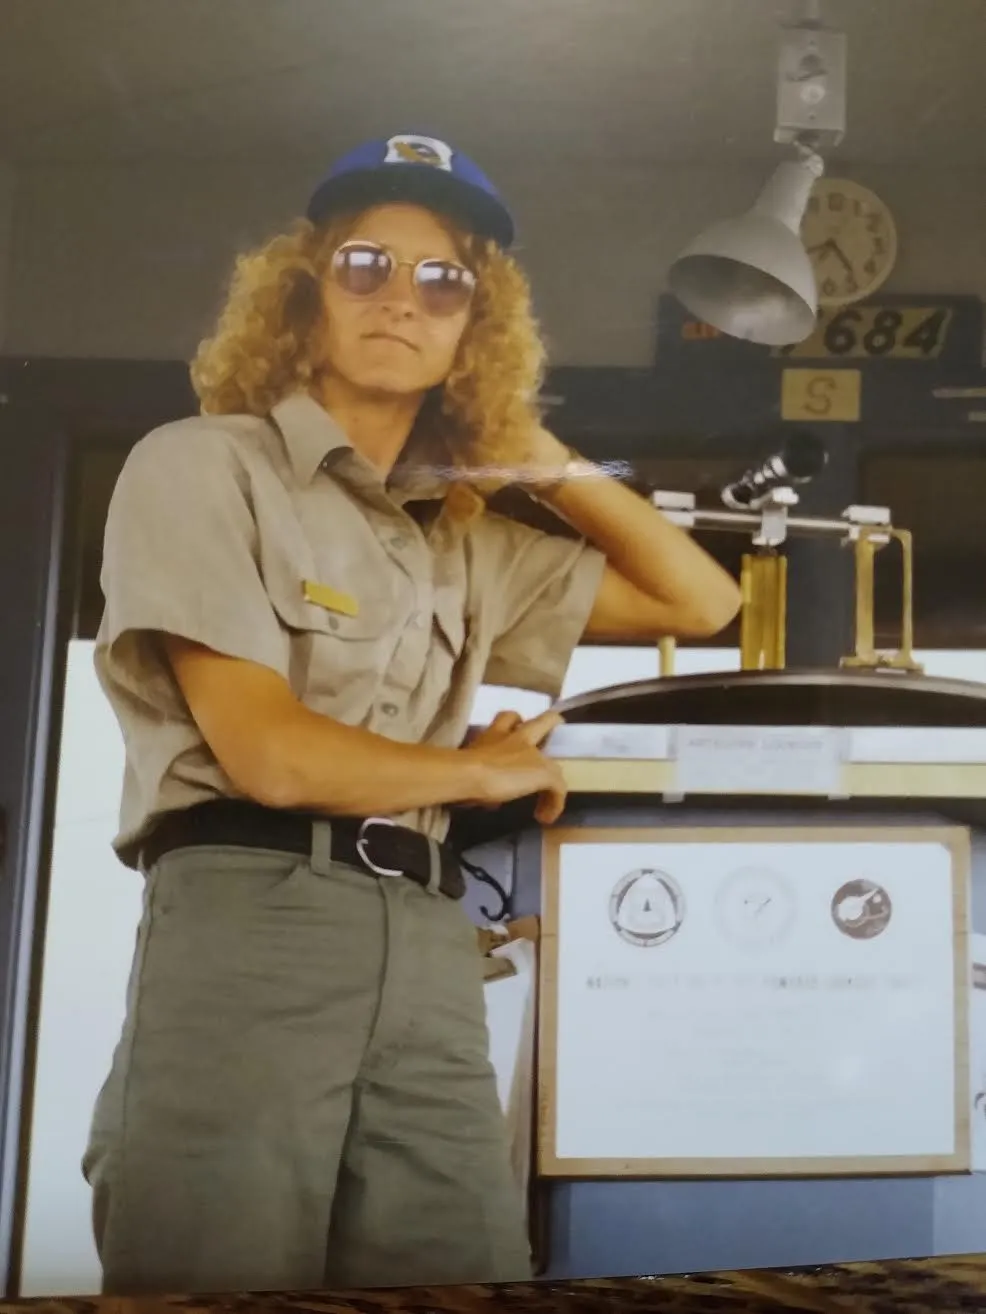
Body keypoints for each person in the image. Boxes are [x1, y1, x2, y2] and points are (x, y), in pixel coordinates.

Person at [84, 131, 740, 1296]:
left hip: (430, 947)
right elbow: (270, 755)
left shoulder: (469, 539)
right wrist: (471, 775)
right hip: (253, 918)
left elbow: (699, 598)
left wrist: (520, 442)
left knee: (458, 1273)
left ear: (471, 328)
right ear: (304, 294)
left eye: (445, 284)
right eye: (365, 266)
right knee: (215, 1274)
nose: (402, 298)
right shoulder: (200, 467)